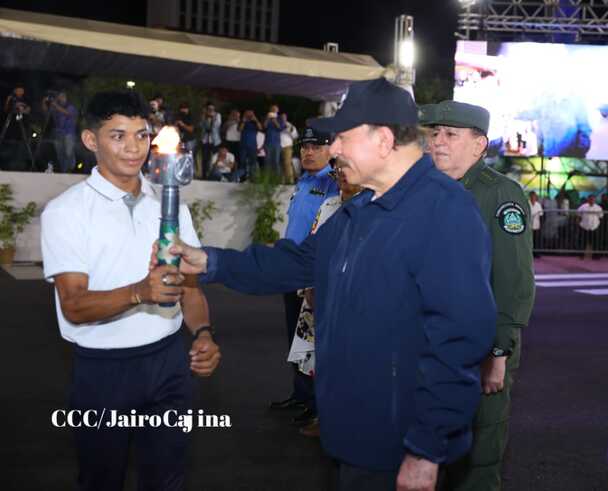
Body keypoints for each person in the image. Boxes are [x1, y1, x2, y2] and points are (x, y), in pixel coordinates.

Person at [164, 78, 496, 491]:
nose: (333, 149)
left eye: (342, 137)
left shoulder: (445, 211)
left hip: (399, 446)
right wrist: (210, 261)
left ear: (383, 139)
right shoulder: (363, 206)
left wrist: (426, 450)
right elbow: (299, 261)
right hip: (353, 434)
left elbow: (458, 341)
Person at [39, 90, 221, 491]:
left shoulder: (171, 205)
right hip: (104, 371)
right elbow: (74, 305)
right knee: (101, 479)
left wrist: (203, 333)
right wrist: (139, 292)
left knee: (167, 478)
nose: (134, 147)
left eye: (141, 135)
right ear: (91, 140)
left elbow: (190, 289)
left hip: (168, 363)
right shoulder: (66, 212)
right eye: (118, 136)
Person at [421, 100, 535, 491]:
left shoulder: (500, 195)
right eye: (435, 133)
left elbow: (512, 280)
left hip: (479, 348)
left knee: (477, 457)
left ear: (478, 145)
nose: (438, 141)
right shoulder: (424, 189)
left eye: (450, 134)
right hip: (429, 343)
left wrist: (497, 354)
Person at [287, 158, 363, 438]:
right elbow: (313, 250)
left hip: (351, 301)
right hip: (320, 296)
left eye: (346, 167)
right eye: (337, 168)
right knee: (320, 360)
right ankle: (323, 414)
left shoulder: (372, 208)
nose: (341, 174)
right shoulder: (329, 205)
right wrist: (308, 286)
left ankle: (343, 421)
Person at [270, 126, 339, 430]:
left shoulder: (333, 182)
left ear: (330, 150)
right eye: (305, 147)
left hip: (312, 271)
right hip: (292, 269)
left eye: (316, 147)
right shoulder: (304, 181)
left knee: (315, 340)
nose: (308, 152)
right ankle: (301, 394)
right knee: (296, 336)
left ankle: (317, 404)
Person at [42, 91, 78, 173]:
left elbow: (67, 113)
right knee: (60, 153)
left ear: (65, 97)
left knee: (69, 152)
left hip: (69, 133)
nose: (60, 98)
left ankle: (71, 169)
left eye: (62, 96)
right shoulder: (55, 106)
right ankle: (64, 171)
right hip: (58, 133)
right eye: (59, 96)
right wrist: (44, 102)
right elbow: (45, 111)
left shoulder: (70, 106)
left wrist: (55, 105)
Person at [199, 102, 222, 180]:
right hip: (205, 140)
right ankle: (204, 175)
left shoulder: (217, 115)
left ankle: (214, 175)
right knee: (205, 158)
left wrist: (212, 117)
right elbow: (201, 126)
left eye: (212, 109)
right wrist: (205, 117)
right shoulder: (203, 115)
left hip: (215, 140)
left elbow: (217, 125)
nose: (210, 110)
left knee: (214, 158)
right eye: (209, 108)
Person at [577, 194, 604, 259]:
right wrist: (578, 223)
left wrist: (597, 224)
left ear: (595, 200)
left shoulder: (598, 207)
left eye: (593, 199)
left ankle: (596, 256)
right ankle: (581, 255)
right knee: (582, 242)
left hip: (594, 227)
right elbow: (578, 215)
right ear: (588, 199)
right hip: (584, 226)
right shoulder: (583, 206)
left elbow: (601, 216)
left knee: (595, 242)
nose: (591, 200)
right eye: (590, 199)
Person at [238, 109, 261, 181]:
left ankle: (253, 178)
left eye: (251, 114)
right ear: (244, 114)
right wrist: (243, 121)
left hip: (253, 145)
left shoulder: (255, 122)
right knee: (242, 162)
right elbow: (239, 129)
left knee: (253, 162)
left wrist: (256, 120)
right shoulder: (242, 121)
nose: (249, 115)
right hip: (243, 145)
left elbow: (260, 128)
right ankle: (242, 178)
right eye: (247, 113)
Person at [264, 105, 286, 175]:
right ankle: (267, 177)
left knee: (276, 161)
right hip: (267, 142)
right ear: (270, 110)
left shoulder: (280, 118)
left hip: (276, 143)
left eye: (275, 109)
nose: (273, 110)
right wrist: (267, 119)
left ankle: (277, 178)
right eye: (272, 109)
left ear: (278, 110)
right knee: (267, 161)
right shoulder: (267, 117)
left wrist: (275, 121)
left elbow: (280, 128)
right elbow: (264, 127)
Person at [280, 112, 299, 184]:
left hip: (287, 146)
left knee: (287, 163)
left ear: (286, 118)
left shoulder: (290, 125)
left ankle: (290, 181)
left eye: (284, 117)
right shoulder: (277, 124)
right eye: (281, 117)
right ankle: (282, 180)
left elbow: (295, 136)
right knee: (281, 164)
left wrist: (291, 130)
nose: (282, 118)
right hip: (278, 146)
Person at [529, 191, 544, 256]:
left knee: (536, 240)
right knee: (530, 240)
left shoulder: (538, 205)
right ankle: (530, 252)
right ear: (530, 197)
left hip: (537, 225)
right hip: (529, 226)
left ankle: (536, 252)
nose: (533, 197)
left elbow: (541, 214)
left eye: (534, 196)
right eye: (532, 196)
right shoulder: (527, 204)